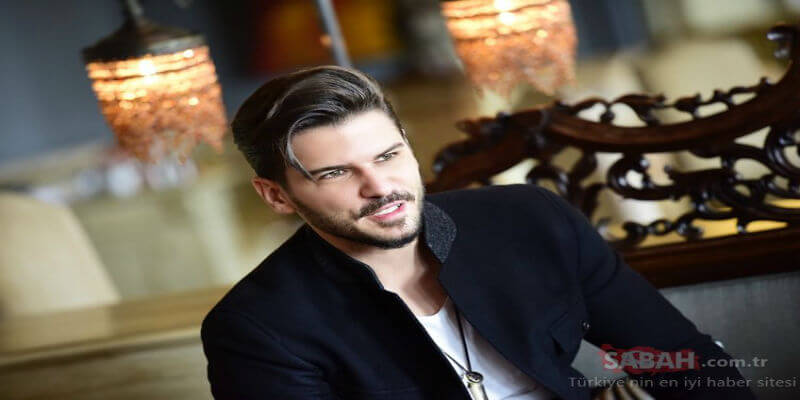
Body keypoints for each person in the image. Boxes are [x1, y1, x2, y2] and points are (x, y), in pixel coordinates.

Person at [200, 66, 755, 400]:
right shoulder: (259, 328)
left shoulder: (530, 220)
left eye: (389, 156)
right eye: (336, 173)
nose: (381, 187)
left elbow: (683, 359)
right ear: (277, 195)